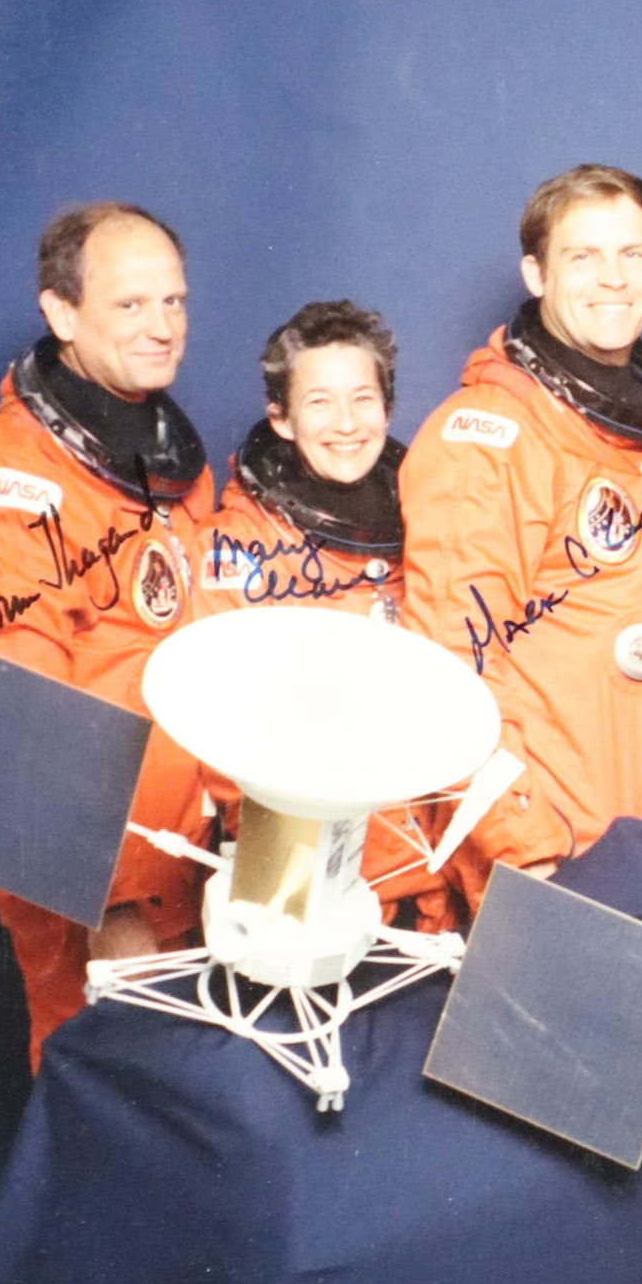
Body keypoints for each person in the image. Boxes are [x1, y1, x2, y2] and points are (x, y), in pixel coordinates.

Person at [0, 202, 213, 1067]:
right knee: (105, 1098)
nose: (162, 328)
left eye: (174, 302)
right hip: (96, 888)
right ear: (61, 313)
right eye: (131, 305)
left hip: (187, 862)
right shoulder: (13, 480)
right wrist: (111, 906)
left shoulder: (165, 464)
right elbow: (25, 722)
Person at [399, 164, 642, 903]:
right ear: (536, 274)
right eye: (583, 257)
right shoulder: (486, 440)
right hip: (567, 860)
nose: (613, 279)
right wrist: (529, 852)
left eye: (631, 255)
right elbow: (453, 669)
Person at [191, 299, 454, 930]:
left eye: (363, 399)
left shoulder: (438, 532)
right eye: (319, 402)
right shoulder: (234, 553)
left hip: (429, 886)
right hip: (300, 897)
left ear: (388, 408)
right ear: (280, 419)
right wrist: (289, 904)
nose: (347, 424)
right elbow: (220, 745)